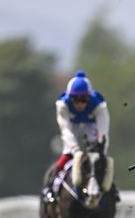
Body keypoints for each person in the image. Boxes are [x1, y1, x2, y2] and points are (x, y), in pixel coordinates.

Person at [42, 70, 115, 203]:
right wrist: (75, 149)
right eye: (76, 100)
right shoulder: (63, 105)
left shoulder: (99, 106)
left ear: (89, 98)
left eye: (84, 100)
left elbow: (103, 132)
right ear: (70, 98)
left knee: (97, 155)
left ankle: (111, 189)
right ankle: (51, 186)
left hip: (91, 122)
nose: (80, 104)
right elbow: (66, 131)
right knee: (68, 152)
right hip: (72, 124)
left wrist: (100, 149)